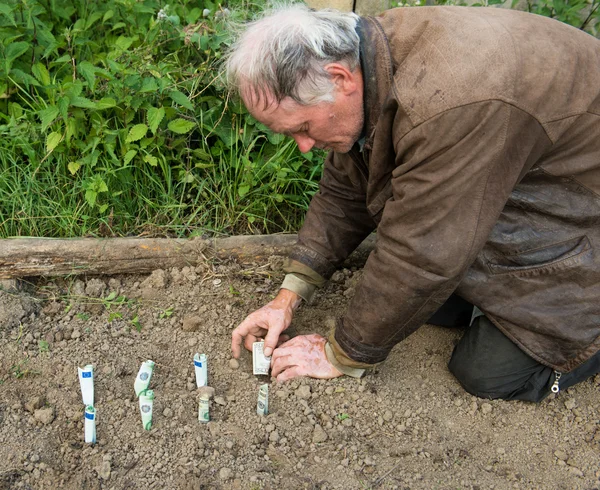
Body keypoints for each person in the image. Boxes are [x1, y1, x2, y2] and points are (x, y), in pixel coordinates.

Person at [225, 3, 600, 402]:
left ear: (338, 78)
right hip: (528, 177)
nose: (303, 147)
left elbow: (421, 252)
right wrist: (288, 296)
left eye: (302, 127)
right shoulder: (368, 61)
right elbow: (345, 190)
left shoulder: (449, 101)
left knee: (486, 374)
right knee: (422, 305)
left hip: (580, 209)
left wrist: (341, 354)